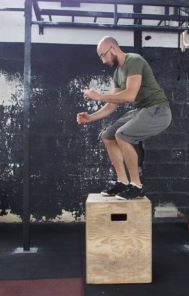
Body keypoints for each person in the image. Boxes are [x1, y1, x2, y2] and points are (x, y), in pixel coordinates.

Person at [76, 36, 172, 200]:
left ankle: (136, 186)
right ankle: (122, 181)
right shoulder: (117, 73)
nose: (103, 60)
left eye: (102, 55)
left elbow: (129, 95)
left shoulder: (133, 61)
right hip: (142, 109)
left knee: (122, 135)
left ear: (112, 48)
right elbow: (112, 104)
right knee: (108, 136)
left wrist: (99, 96)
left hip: (158, 110)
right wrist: (90, 118)